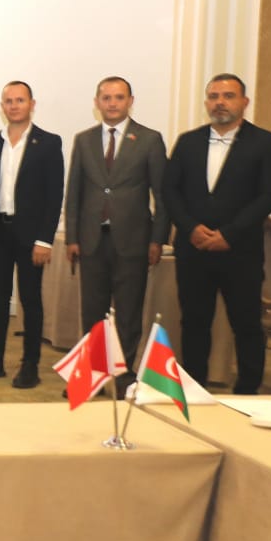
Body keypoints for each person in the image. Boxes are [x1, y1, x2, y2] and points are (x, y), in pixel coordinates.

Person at [163, 73, 271, 394]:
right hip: (193, 251)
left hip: (240, 251)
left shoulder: (266, 142)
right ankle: (194, 388)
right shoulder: (187, 142)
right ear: (206, 102)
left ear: (244, 102)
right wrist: (190, 228)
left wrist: (229, 233)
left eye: (228, 96)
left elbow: (270, 195)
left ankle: (247, 391)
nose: (220, 102)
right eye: (214, 96)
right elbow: (169, 191)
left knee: (246, 324)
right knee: (194, 323)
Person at [65, 76, 168, 387]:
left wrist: (158, 239)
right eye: (106, 98)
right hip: (92, 241)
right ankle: (94, 376)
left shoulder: (149, 139)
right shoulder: (84, 140)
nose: (112, 103)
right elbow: (74, 193)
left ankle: (123, 376)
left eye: (119, 97)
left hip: (133, 241)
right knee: (93, 313)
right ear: (97, 102)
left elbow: (162, 195)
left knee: (128, 313)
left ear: (130, 101)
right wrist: (72, 237)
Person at [0, 82, 64, 389]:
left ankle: (30, 364)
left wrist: (45, 240)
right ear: (2, 106)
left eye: (20, 100)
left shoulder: (48, 143)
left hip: (31, 237)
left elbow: (54, 195)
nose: (14, 105)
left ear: (32, 104)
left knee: (30, 300)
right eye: (8, 101)